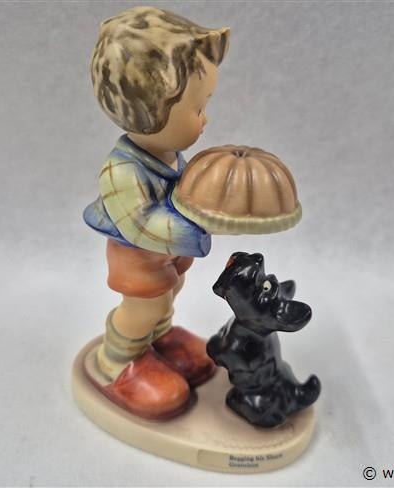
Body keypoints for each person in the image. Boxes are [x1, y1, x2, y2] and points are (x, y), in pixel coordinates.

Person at [83, 6, 230, 419]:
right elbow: (141, 223)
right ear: (149, 111)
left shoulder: (168, 155)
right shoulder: (122, 171)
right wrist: (199, 222)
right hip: (137, 256)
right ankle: (116, 359)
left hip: (168, 255)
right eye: (197, 109)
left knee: (170, 296)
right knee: (144, 306)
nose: (205, 119)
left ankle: (158, 340)